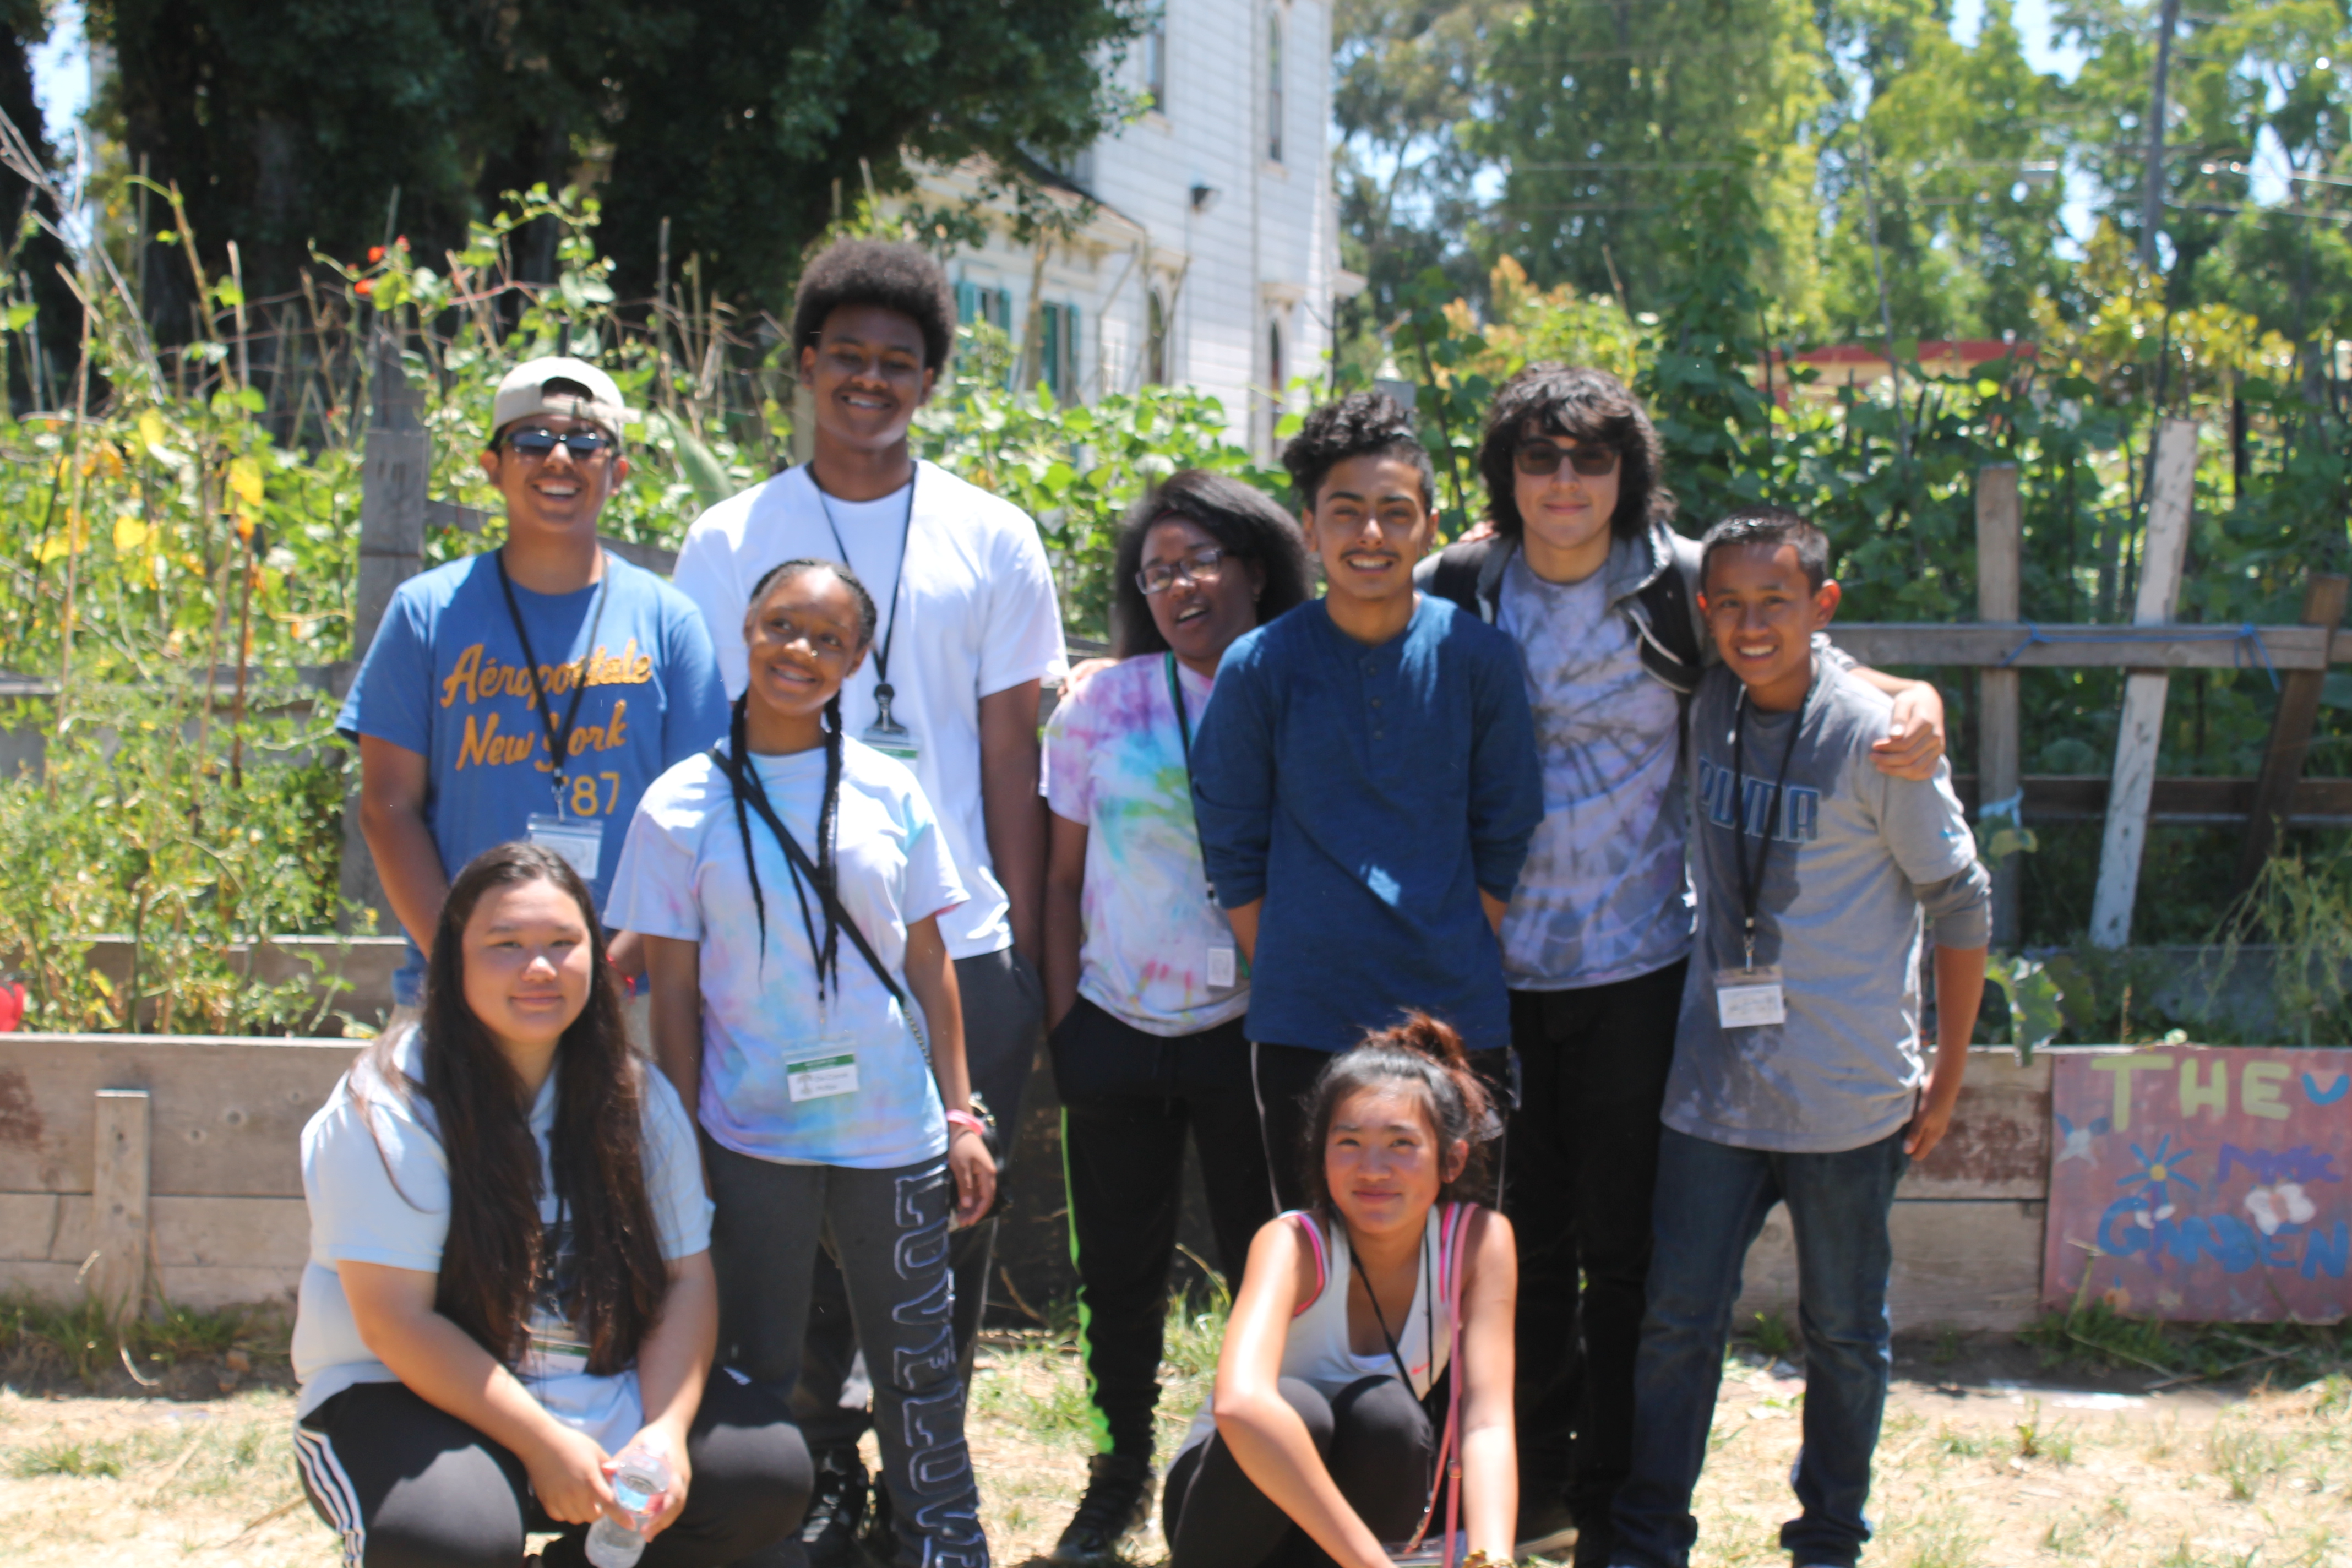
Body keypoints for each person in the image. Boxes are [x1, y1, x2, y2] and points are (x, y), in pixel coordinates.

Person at [1415, 364, 1948, 1563]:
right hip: (1491, 967)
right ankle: (1522, 1490)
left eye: (1589, 458)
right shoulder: (1459, 584)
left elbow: (1812, 658)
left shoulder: (1677, 577)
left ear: (1627, 472)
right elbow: (1352, 640)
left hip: (1643, 968)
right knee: (1511, 1241)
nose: (1564, 480)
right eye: (1538, 456)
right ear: (1505, 472)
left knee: (1628, 1255)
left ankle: (1616, 1512)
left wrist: (1919, 697)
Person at [668, 241, 1061, 1560]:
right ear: (805, 365)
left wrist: (1022, 932)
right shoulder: (731, 537)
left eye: (899, 363)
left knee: (936, 1238)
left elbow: (1014, 750)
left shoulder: (991, 530)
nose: (871, 382)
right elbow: (699, 739)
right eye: (848, 357)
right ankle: (813, 1473)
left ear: (932, 378)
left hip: (949, 948)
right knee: (782, 1230)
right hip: (771, 955)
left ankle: (922, 1489)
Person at [1605, 508, 1989, 1568]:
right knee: (1675, 1318)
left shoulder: (1882, 740)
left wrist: (1948, 1075)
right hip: (1712, 1091)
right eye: (1724, 603)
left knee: (1843, 1332)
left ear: (1821, 606)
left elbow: (1960, 904)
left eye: (1773, 601)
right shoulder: (1711, 694)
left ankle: (1827, 1537)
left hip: (1846, 1095)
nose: (1746, 623)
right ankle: (1647, 1534)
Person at [609, 557, 997, 1568]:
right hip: (749, 1136)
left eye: (828, 638)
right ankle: (776, 1542)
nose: (801, 651)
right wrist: (688, 1136)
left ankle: (941, 1545)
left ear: (857, 658)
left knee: (917, 1368)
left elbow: (927, 960)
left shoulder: (887, 787)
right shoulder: (678, 803)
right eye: (783, 625)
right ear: (746, 627)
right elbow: (673, 990)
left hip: (892, 1131)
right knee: (762, 1365)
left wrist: (961, 1116)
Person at [291, 842, 808, 1567]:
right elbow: (395, 1321)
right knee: (448, 1539)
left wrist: (664, 1432)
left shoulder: (636, 1097)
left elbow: (686, 1280)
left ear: (595, 962)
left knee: (765, 1476)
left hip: (598, 1381)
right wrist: (542, 1445)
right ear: (453, 961)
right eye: (505, 945)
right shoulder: (385, 1109)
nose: (539, 968)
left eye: (563, 944)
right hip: (404, 1388)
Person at [1038, 470, 1316, 1562]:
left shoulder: (1306, 687)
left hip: (1255, 1031)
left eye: (1200, 558)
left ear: (1255, 564)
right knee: (1115, 1272)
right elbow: (1060, 879)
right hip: (1113, 1024)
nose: (1178, 584)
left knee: (1273, 1265)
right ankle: (1118, 1470)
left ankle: (1253, 1464)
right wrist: (1068, 1022)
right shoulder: (1104, 701)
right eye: (1156, 570)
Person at [1188, 391, 1543, 1211]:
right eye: (1345, 513)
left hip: (1454, 1014)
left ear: (1429, 525)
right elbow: (1231, 843)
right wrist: (1295, 951)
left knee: (1452, 1256)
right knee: (1322, 1260)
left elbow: (1506, 827)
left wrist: (1443, 936)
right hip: (1304, 1017)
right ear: (1309, 529)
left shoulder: (1479, 658)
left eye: (1394, 512)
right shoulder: (1260, 665)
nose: (1371, 534)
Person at [340, 357, 729, 1029]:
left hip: (623, 998)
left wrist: (613, 972)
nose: (559, 459)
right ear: (492, 466)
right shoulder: (426, 613)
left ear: (618, 473)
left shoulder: (670, 622)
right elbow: (387, 806)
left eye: (586, 445)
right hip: (459, 994)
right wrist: (467, 960)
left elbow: (697, 825)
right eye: (531, 441)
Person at [1163, 1014, 1519, 1568]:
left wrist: (1493, 1557)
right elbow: (1240, 1405)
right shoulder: (1288, 1243)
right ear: (1320, 1154)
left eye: (1402, 1144)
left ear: (1451, 1159)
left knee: (1391, 1417)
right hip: (1225, 1498)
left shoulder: (1479, 1242)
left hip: (1346, 1523)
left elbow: (1488, 1420)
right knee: (1299, 1408)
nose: (1373, 1168)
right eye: (1349, 1142)